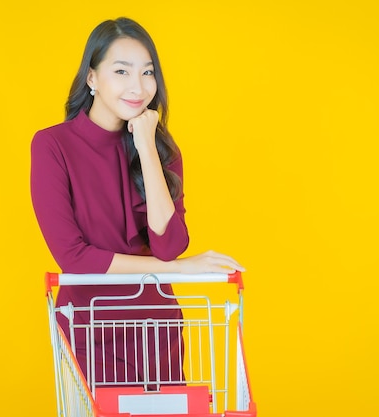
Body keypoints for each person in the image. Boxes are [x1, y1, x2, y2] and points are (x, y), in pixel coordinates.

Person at [30, 17, 244, 388]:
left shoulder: (162, 150)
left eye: (147, 72)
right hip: (90, 326)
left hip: (155, 325)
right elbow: (74, 258)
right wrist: (179, 270)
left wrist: (145, 144)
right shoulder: (53, 146)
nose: (138, 86)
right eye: (121, 71)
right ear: (92, 79)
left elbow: (169, 245)